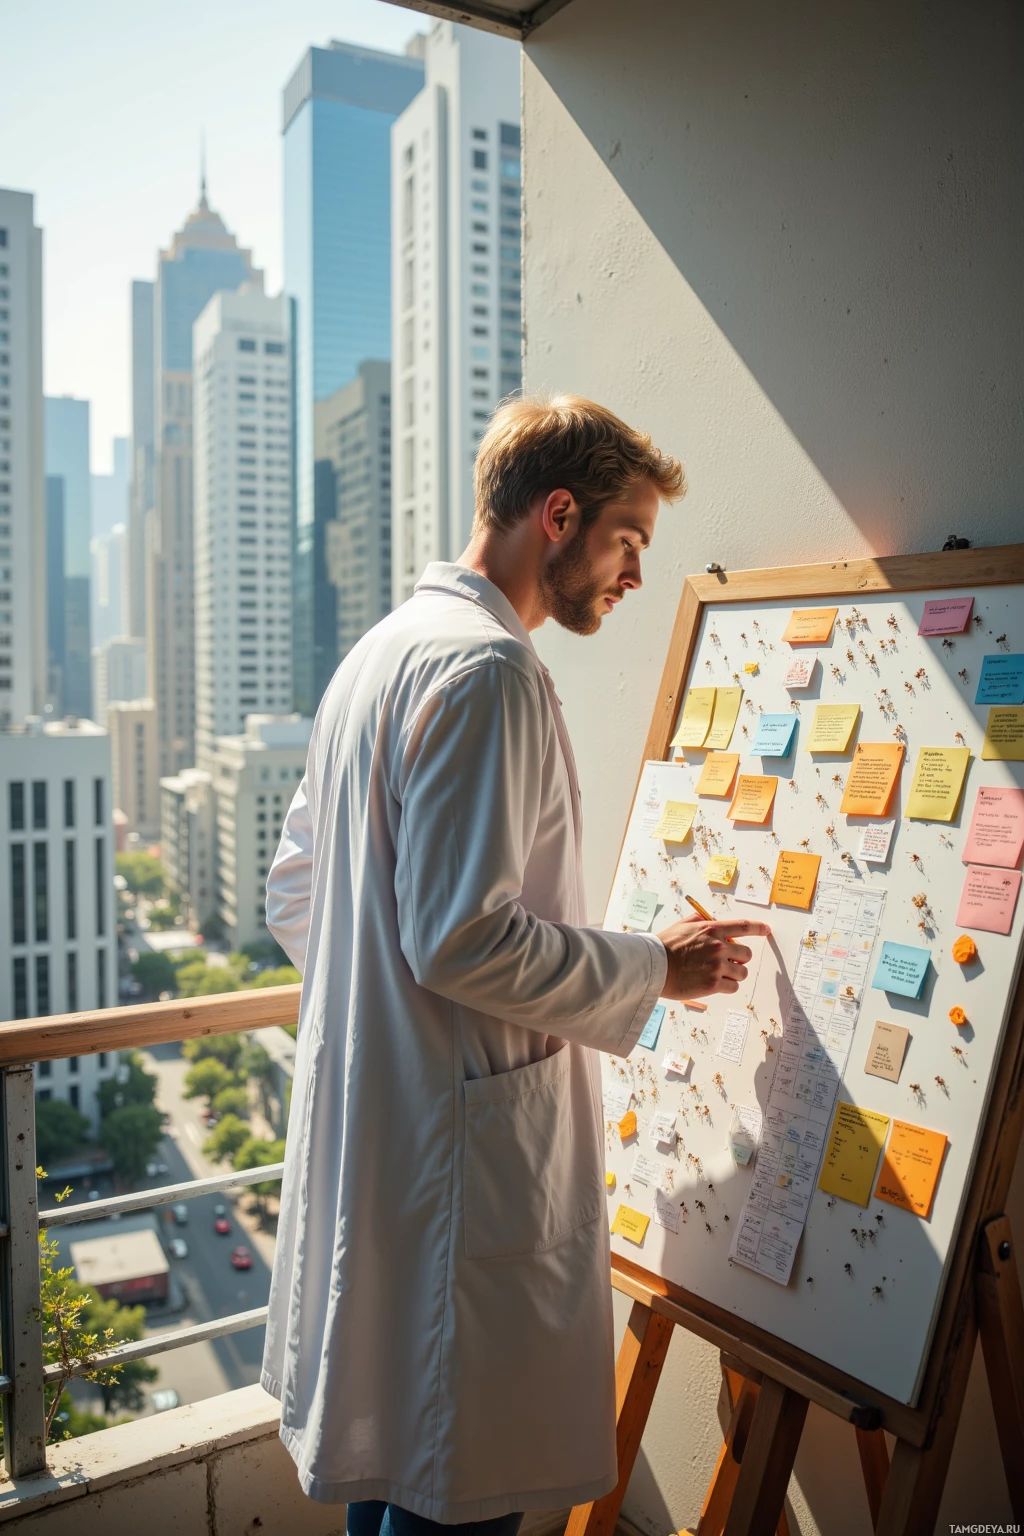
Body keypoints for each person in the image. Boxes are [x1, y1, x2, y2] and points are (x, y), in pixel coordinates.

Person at [262, 396, 770, 1536]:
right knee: (455, 1492)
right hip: (453, 1163)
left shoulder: (377, 656)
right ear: (558, 515)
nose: (634, 575)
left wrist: (386, 1018)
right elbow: (457, 938)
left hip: (388, 1134)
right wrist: (655, 968)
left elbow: (295, 892)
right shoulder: (486, 670)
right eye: (628, 541)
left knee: (394, 1473)